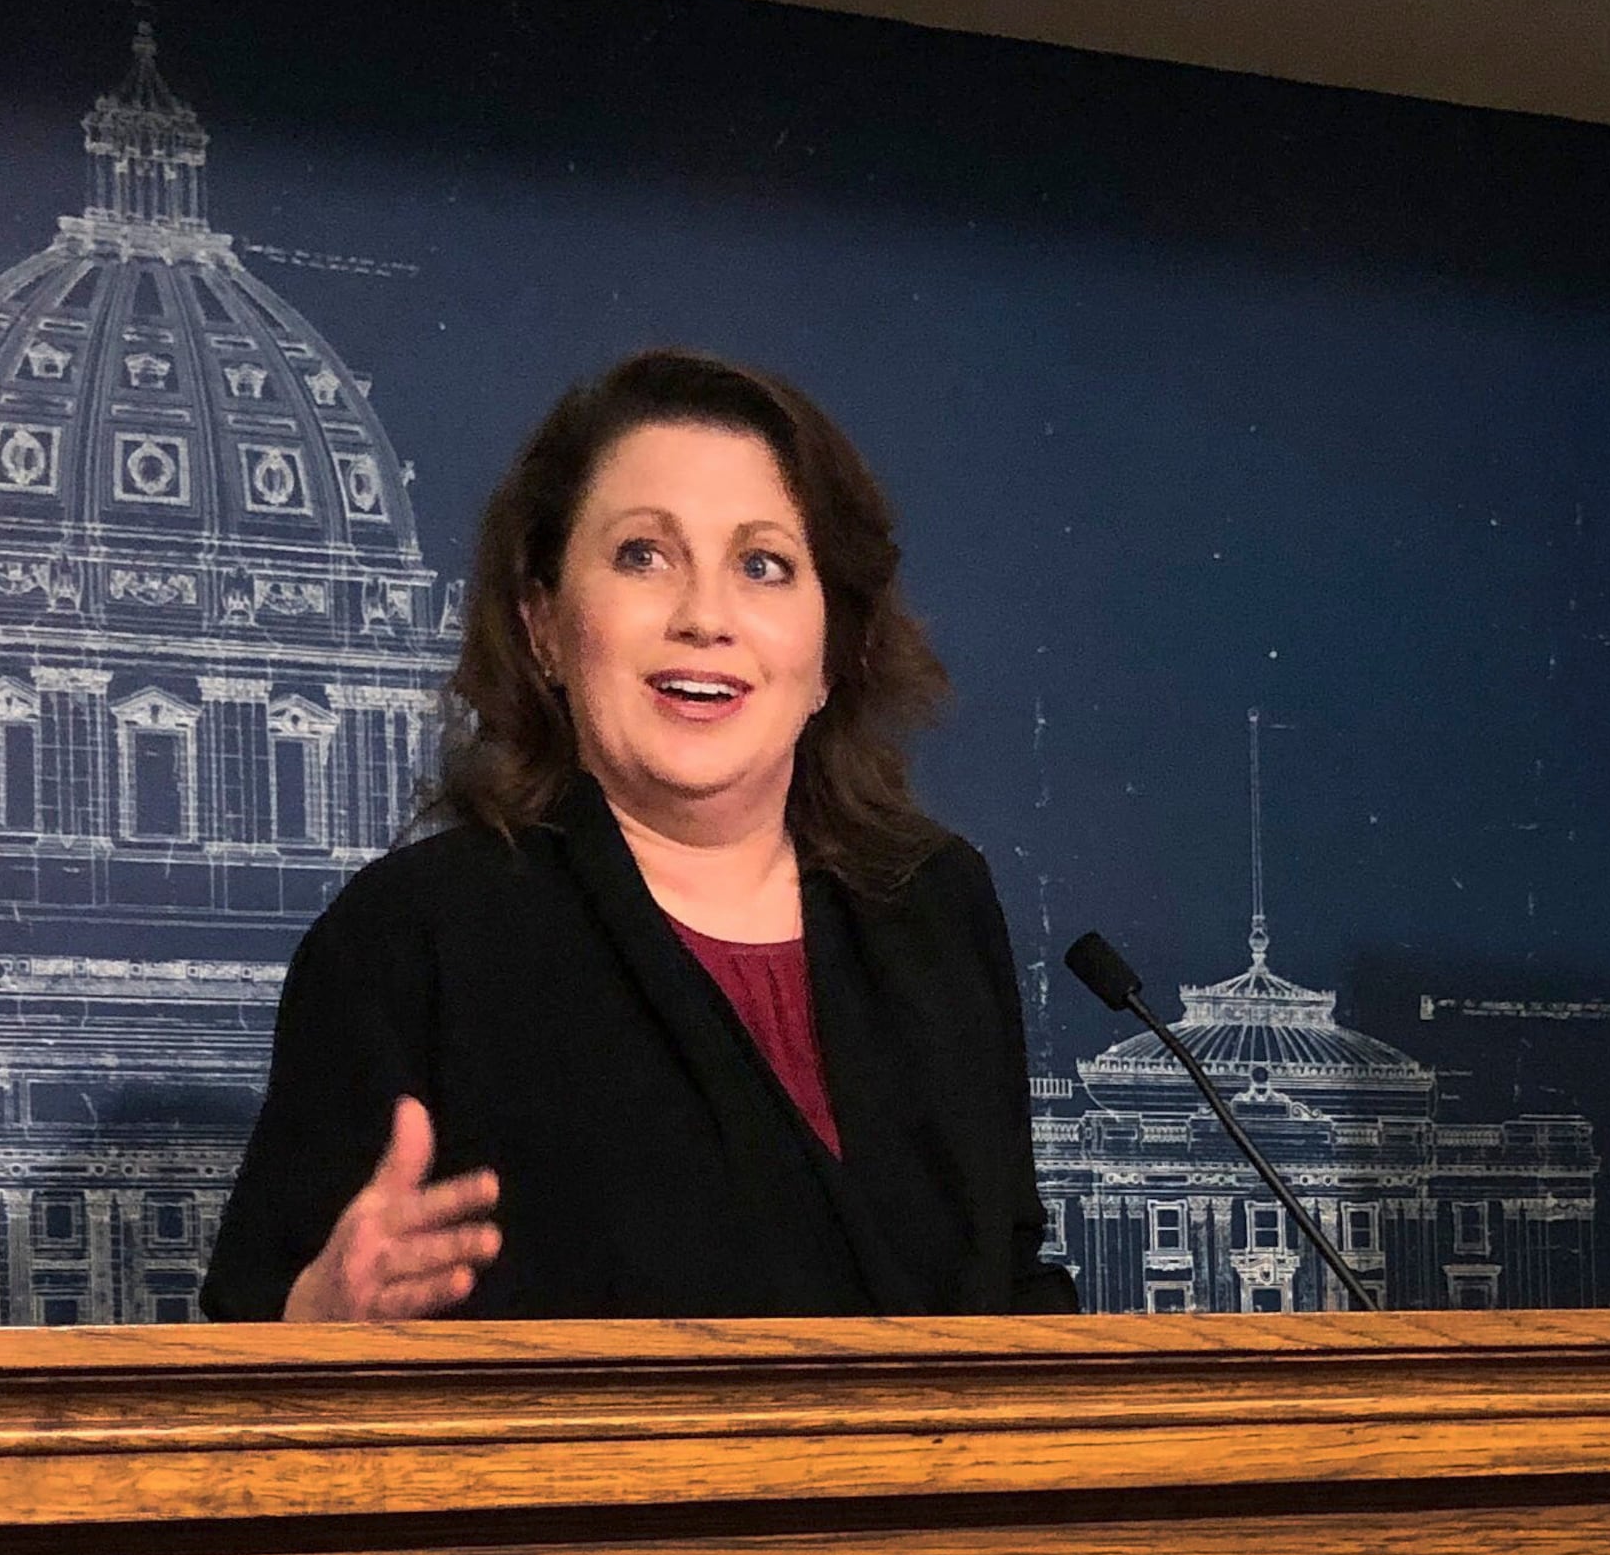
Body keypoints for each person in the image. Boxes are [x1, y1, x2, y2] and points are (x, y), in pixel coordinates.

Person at [201, 350, 1077, 1320]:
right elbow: (259, 1331)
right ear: (543, 625)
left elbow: (1010, 1287)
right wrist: (320, 1321)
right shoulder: (416, 936)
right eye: (643, 556)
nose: (705, 617)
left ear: (835, 648)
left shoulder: (934, 907)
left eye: (763, 565)